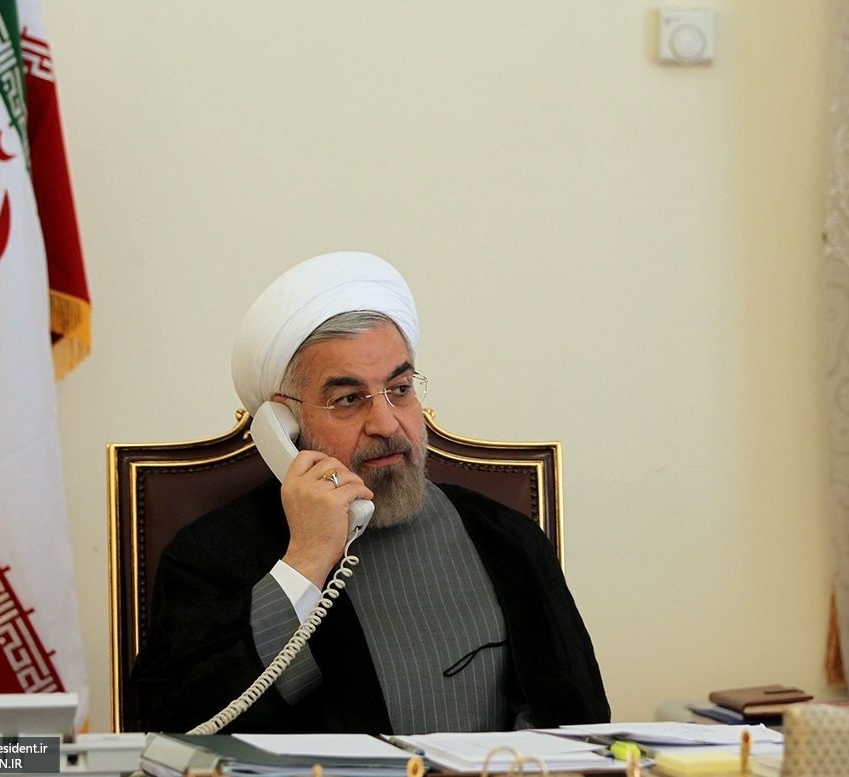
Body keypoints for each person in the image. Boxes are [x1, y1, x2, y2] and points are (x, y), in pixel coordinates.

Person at [132, 250, 609, 734]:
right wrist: (305, 562)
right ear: (286, 424)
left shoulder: (507, 540)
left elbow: (581, 721)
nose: (386, 424)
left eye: (399, 389)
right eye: (347, 399)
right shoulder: (209, 556)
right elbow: (173, 730)